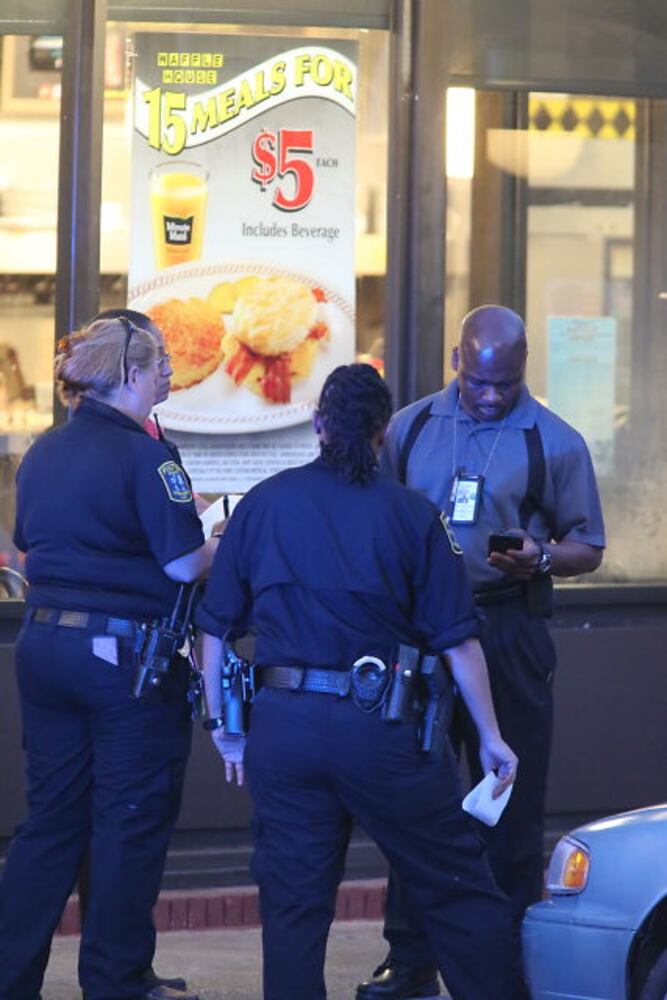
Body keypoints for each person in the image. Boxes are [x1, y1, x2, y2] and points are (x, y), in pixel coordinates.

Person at [197, 363, 523, 1000]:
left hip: (284, 729)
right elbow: (458, 641)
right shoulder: (412, 515)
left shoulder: (263, 504)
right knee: (454, 886)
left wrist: (222, 727)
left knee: (293, 905)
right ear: (383, 432)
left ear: (318, 424)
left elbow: (214, 630)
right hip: (381, 729)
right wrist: (490, 735)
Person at [357, 305, 605, 1000]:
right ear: (455, 362)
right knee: (415, 800)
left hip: (507, 627)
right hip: (422, 634)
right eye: (478, 383)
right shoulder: (409, 428)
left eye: (506, 384)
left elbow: (588, 544)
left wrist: (542, 557)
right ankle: (409, 960)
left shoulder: (555, 441)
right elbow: (378, 515)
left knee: (509, 804)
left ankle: (505, 965)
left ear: (523, 369)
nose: (492, 396)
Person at [0, 317, 217, 1000]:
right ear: (128, 375)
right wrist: (227, 538)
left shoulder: (43, 450)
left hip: (44, 647)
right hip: (123, 661)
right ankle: (116, 981)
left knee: (50, 822)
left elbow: (29, 541)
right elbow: (185, 564)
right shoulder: (147, 457)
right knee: (128, 820)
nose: (165, 374)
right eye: (158, 365)